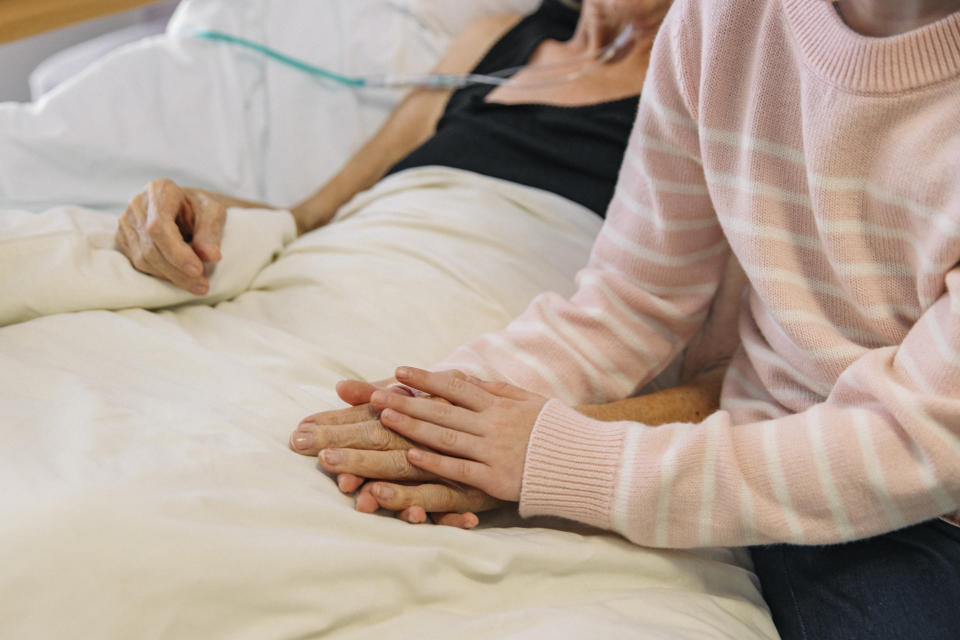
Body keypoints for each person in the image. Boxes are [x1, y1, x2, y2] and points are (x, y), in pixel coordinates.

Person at [302, 0, 960, 638]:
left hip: (896, 485)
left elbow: (914, 440)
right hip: (799, 464)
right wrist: (433, 415)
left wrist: (558, 458)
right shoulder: (718, 21)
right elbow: (628, 302)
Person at [118, 1, 742, 526]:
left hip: (492, 339)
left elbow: (748, 375)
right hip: (321, 291)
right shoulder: (492, 42)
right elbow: (312, 216)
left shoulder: (734, 79)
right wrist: (189, 210)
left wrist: (550, 445)